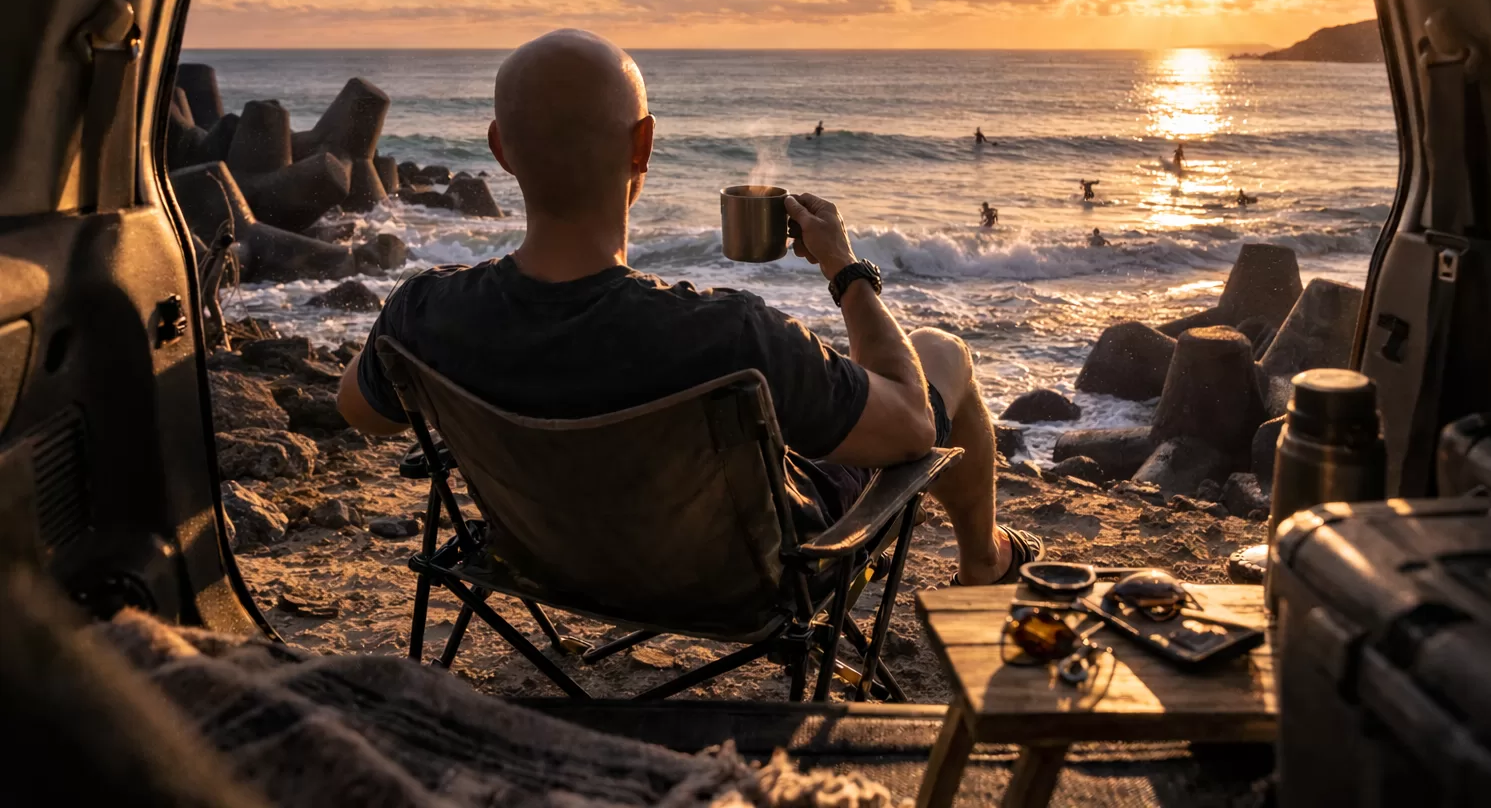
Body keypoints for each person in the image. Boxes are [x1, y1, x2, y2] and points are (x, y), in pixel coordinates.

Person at [336, 29, 1043, 587]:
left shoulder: (425, 313)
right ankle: (983, 560)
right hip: (750, 578)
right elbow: (913, 427)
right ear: (643, 144)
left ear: (501, 150)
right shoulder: (730, 336)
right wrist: (846, 270)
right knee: (940, 351)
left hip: (543, 559)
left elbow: (363, 412)